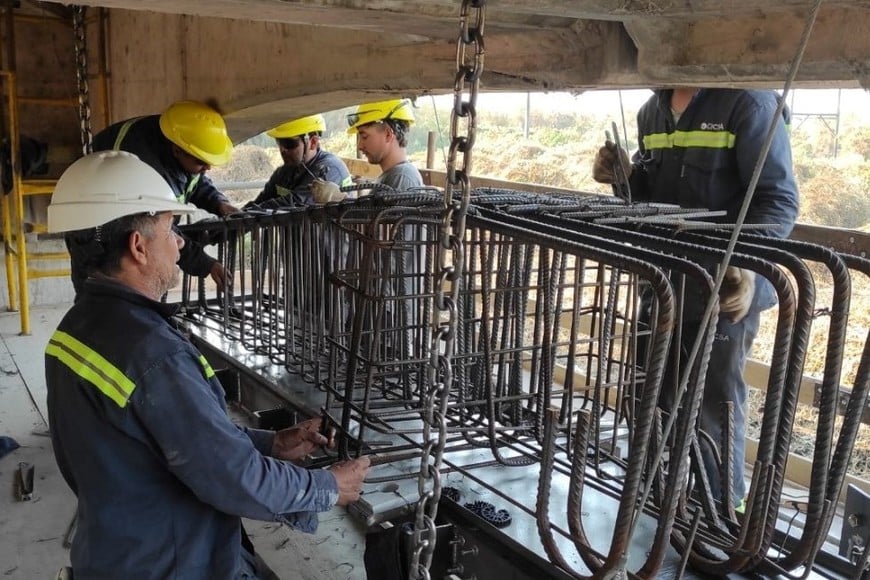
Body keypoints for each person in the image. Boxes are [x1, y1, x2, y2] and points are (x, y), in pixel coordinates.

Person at [46, 151, 371, 579]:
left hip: (117, 550)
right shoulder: (153, 354)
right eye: (170, 229)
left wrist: (271, 443)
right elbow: (233, 479)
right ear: (138, 247)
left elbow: (164, 439)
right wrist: (327, 487)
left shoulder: (74, 329)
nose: (180, 242)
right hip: (178, 562)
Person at [592, 88, 799, 511]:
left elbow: (778, 202)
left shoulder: (750, 105)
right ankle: (654, 501)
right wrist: (625, 179)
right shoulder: (652, 111)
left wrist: (748, 265)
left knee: (711, 411)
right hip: (663, 287)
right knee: (650, 397)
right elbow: (653, 201)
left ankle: (718, 513)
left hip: (720, 293)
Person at [69, 100, 242, 293]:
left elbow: (192, 178)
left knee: (135, 302)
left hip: (131, 234)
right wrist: (204, 263)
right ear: (177, 150)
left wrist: (219, 203)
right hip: (99, 239)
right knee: (104, 297)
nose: (207, 168)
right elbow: (158, 232)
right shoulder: (142, 167)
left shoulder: (176, 142)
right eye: (202, 161)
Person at [311, 98, 423, 203]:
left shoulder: (401, 178)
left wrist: (340, 199)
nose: (360, 146)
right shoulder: (391, 176)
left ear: (388, 134)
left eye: (364, 137)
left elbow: (382, 223)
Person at [246, 114, 352, 208]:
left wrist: (248, 213)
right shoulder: (284, 172)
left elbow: (296, 202)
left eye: (289, 143)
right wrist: (237, 215)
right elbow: (261, 201)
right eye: (280, 142)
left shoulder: (329, 170)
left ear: (313, 142)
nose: (283, 149)